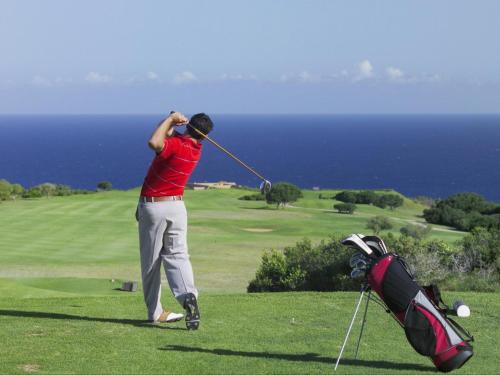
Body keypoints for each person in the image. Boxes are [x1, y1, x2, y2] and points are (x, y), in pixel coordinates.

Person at [137, 111, 214, 330]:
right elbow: (167, 138)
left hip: (154, 206)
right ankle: (188, 297)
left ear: (188, 126)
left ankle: (155, 312)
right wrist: (172, 122)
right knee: (178, 255)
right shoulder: (195, 149)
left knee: (151, 262)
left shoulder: (176, 145)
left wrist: (170, 119)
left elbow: (154, 142)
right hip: (177, 207)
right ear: (205, 137)